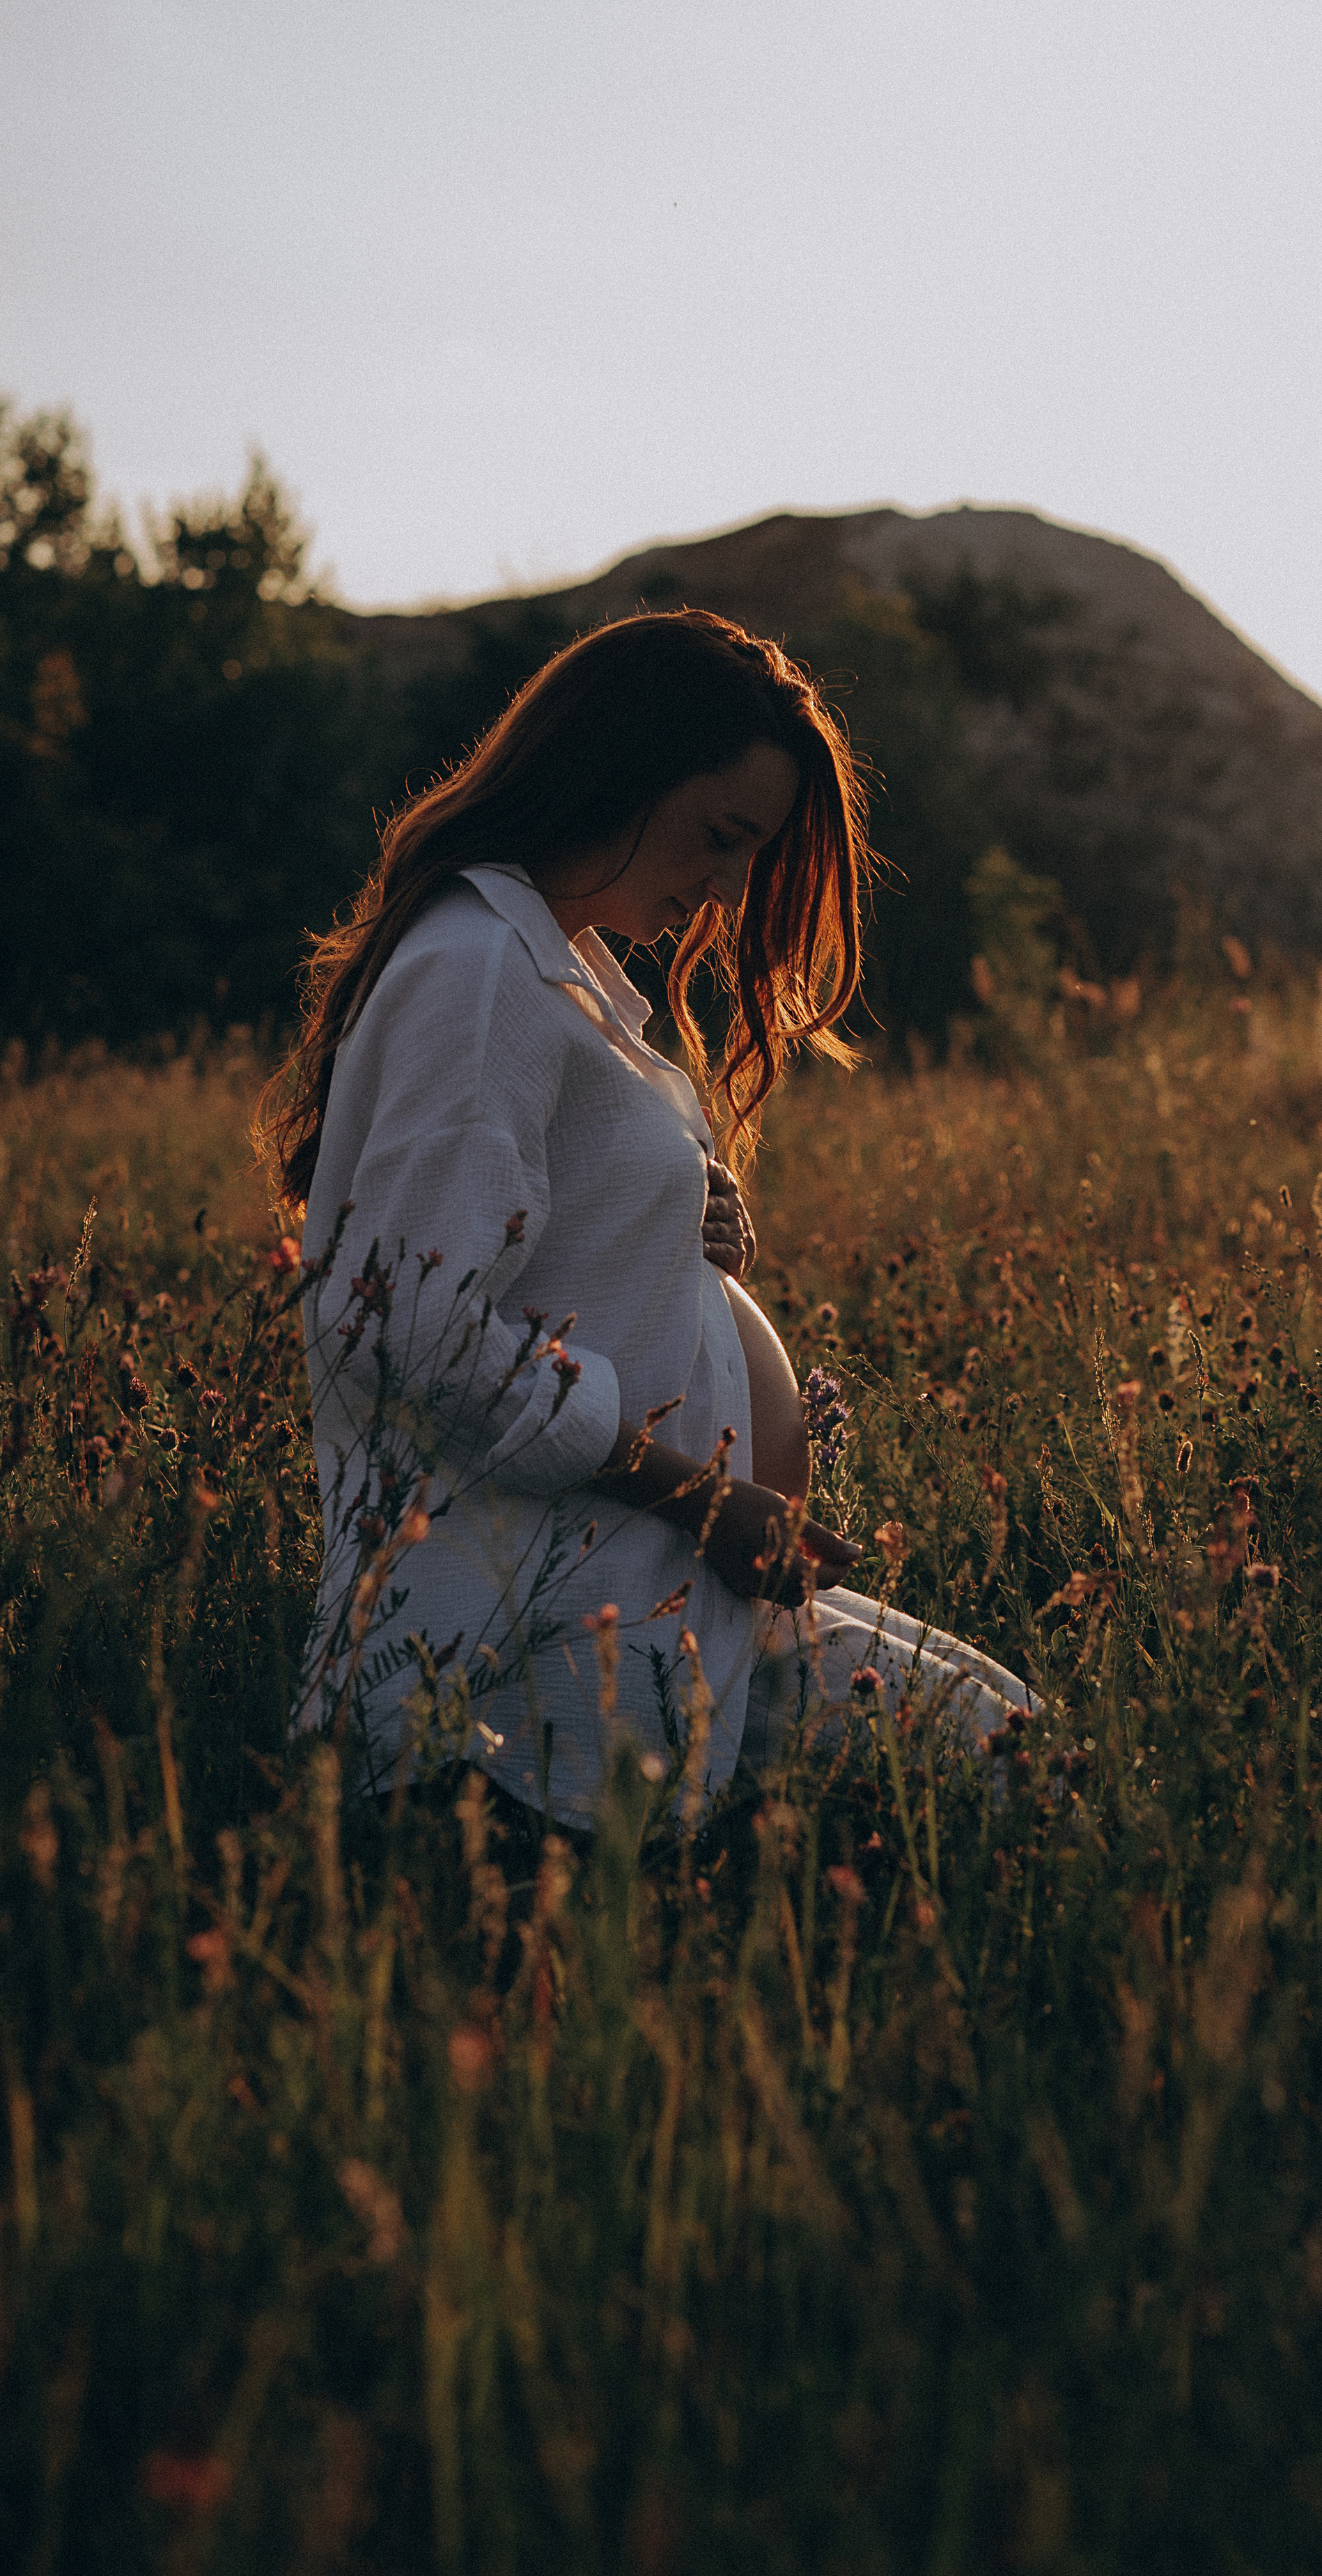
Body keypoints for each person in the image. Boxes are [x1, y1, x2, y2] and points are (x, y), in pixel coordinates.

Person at [260, 610, 1027, 1823]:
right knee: (1014, 1782)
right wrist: (697, 1496)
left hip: (649, 1594)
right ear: (612, 770)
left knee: (1016, 1740)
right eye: (721, 839)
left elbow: (541, 1247)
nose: (727, 891)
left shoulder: (563, 975)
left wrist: (686, 1234)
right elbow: (413, 1327)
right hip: (536, 1659)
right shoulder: (479, 975)